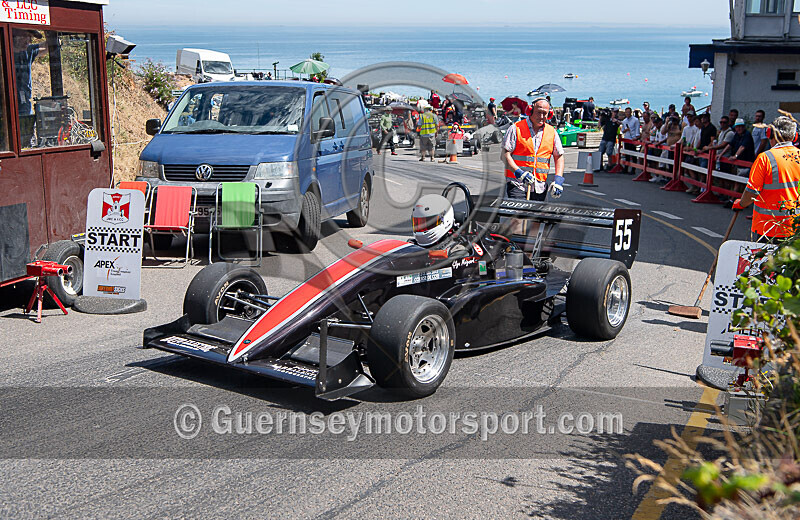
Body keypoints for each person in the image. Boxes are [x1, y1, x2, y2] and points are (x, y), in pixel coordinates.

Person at [733, 116, 800, 240]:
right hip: (796, 228)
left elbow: (751, 193)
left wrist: (741, 204)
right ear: (794, 136)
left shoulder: (765, 158)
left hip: (768, 227)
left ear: (770, 134)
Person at [501, 98, 565, 201]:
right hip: (517, 184)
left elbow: (559, 157)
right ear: (530, 111)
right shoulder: (516, 128)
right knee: (519, 216)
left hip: (540, 187)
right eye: (538, 112)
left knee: (538, 216)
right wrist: (519, 173)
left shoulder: (552, 132)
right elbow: (505, 155)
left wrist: (558, 180)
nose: (541, 117)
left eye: (544, 113)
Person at [13, 29, 45, 148]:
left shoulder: (29, 51)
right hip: (7, 109)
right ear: (15, 36)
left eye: (30, 37)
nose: (29, 40)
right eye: (26, 36)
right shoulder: (4, 51)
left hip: (25, 108)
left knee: (27, 143)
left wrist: (54, 36)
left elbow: (47, 47)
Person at [619, 107, 640, 173]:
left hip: (632, 138)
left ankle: (633, 169)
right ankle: (626, 168)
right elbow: (622, 131)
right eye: (626, 112)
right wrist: (626, 130)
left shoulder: (635, 120)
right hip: (626, 138)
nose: (627, 113)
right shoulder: (624, 121)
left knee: (633, 154)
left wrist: (636, 137)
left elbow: (637, 129)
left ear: (631, 112)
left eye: (628, 112)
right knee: (627, 154)